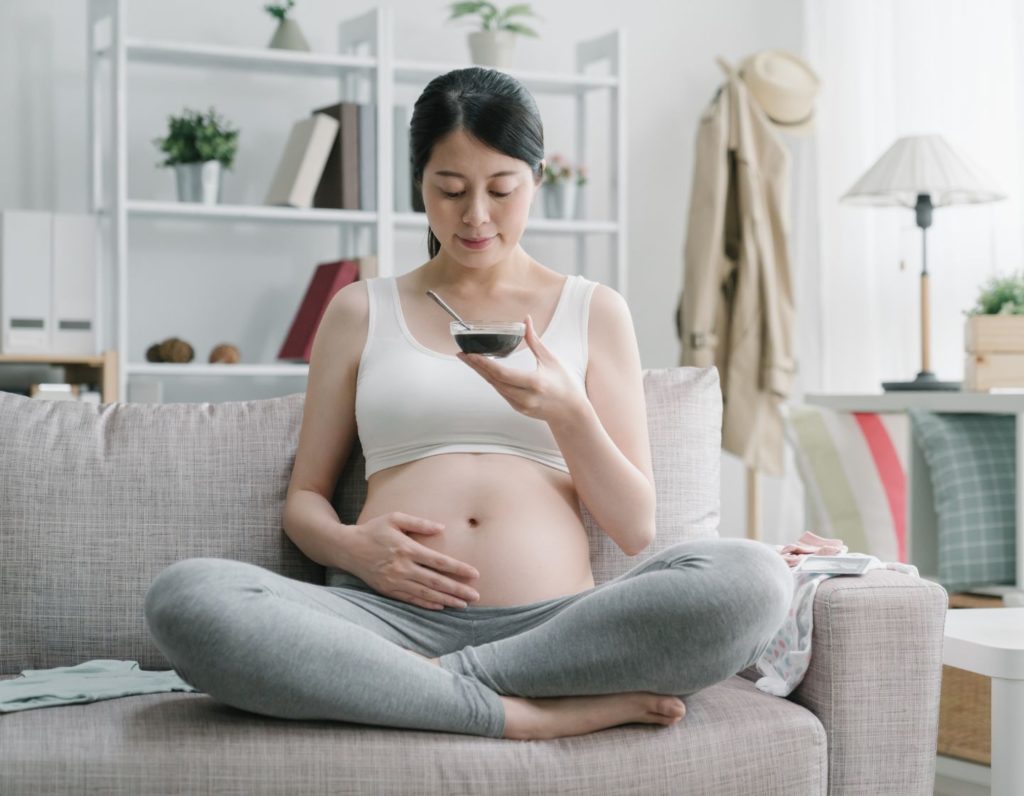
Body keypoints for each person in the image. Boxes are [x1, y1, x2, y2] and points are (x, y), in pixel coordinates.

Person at [143, 67, 793, 742]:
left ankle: (412, 684)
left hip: (554, 627)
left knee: (751, 579)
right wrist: (356, 550)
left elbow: (634, 528)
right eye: (448, 190)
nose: (475, 216)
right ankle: (516, 714)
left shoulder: (594, 311)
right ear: (419, 185)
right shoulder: (361, 309)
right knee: (187, 597)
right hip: (381, 620)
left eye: (501, 189)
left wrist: (568, 412)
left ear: (535, 180)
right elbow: (304, 500)